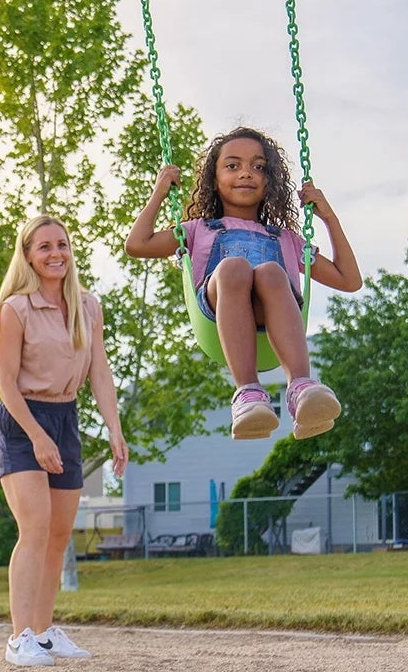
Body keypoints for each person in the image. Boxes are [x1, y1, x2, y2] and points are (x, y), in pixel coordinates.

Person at [125, 126, 362, 441]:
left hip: (273, 311)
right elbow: (138, 244)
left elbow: (350, 280)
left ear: (270, 180)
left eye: (258, 166)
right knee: (233, 268)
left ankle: (301, 389)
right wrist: (159, 191)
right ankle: (248, 394)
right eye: (233, 165)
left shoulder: (287, 239)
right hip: (219, 305)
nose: (246, 173)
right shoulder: (198, 230)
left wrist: (329, 218)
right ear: (214, 177)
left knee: (271, 273)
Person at [0, 215, 125, 670]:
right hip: (22, 419)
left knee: (60, 535)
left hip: (66, 417)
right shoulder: (15, 309)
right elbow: (5, 383)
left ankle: (44, 634)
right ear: (27, 254)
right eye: (44, 246)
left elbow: (99, 372)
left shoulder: (88, 306)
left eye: (62, 245)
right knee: (35, 529)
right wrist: (36, 435)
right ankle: (19, 637)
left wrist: (115, 428)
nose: (56, 254)